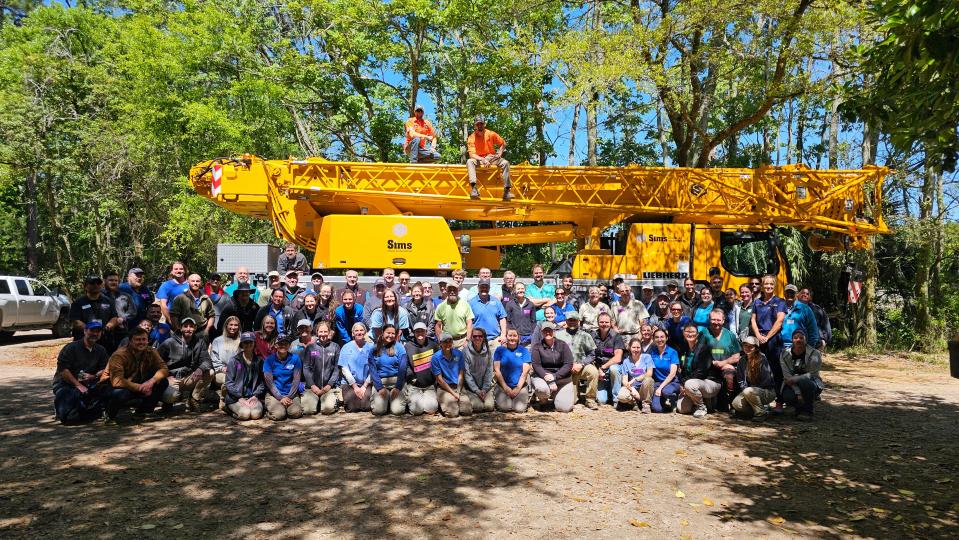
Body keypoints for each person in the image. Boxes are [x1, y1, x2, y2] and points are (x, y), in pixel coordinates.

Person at [99, 327, 170, 422]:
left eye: (144, 339)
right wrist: (141, 387)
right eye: (137, 339)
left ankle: (143, 412)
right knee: (121, 393)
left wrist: (151, 382)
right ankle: (109, 414)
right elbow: (117, 381)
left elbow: (164, 369)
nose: (141, 342)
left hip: (135, 383)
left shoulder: (151, 351)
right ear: (130, 341)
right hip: (111, 386)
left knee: (162, 381)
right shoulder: (119, 355)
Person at [52, 320, 110, 424]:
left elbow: (105, 370)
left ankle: (88, 410)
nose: (95, 334)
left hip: (90, 384)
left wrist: (93, 376)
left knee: (107, 390)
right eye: (92, 330)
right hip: (66, 384)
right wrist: (78, 385)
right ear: (85, 331)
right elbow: (63, 371)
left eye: (98, 331)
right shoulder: (70, 348)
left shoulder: (101, 350)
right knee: (69, 418)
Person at [158, 317, 214, 411]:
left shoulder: (200, 343)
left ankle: (194, 398)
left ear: (195, 328)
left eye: (191, 326)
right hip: (172, 378)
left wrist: (200, 369)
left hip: (189, 376)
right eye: (185, 326)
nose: (188, 329)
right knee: (170, 397)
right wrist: (165, 377)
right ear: (181, 328)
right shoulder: (169, 343)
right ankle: (167, 403)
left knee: (210, 372)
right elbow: (156, 362)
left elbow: (207, 360)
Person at [751, 274, 787, 411]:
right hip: (760, 340)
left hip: (774, 341)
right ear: (762, 285)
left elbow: (779, 322)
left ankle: (779, 401)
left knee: (777, 371)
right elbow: (753, 320)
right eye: (766, 284)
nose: (769, 286)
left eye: (771, 284)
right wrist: (759, 336)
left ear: (775, 286)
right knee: (760, 371)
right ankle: (763, 401)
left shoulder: (780, 302)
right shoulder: (757, 302)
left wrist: (767, 336)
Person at [695, 309, 742, 412]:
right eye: (713, 319)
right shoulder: (704, 333)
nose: (716, 322)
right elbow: (699, 353)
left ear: (723, 320)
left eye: (718, 320)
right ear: (709, 320)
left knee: (730, 375)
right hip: (709, 368)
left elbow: (737, 356)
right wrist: (710, 363)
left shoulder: (730, 335)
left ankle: (733, 403)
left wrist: (724, 363)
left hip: (726, 367)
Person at [556, 312, 599, 410]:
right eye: (570, 320)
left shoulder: (586, 335)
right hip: (566, 367)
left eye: (574, 320)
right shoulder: (558, 335)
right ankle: (574, 395)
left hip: (582, 365)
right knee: (572, 401)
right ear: (566, 321)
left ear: (578, 321)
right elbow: (556, 354)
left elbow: (592, 354)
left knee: (593, 372)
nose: (572, 323)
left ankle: (590, 399)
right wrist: (567, 365)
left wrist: (581, 364)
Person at [530, 322, 576, 412]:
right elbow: (536, 365)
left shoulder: (563, 345)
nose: (547, 333)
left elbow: (568, 364)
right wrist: (549, 379)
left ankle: (556, 396)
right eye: (545, 331)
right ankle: (543, 401)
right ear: (542, 332)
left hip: (562, 379)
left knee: (564, 408)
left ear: (554, 332)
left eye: (550, 330)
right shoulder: (537, 347)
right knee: (542, 389)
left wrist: (555, 376)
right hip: (543, 377)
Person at [69, 275, 121, 352]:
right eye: (92, 283)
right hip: (84, 341)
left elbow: (114, 318)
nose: (95, 285)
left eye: (98, 283)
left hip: (105, 341)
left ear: (101, 285)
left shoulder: (108, 301)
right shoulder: (78, 302)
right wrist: (91, 331)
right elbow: (75, 321)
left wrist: (107, 328)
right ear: (85, 286)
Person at [780, 329, 823, 421]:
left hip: (811, 383)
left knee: (805, 383)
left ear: (805, 339)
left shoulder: (815, 353)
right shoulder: (784, 354)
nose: (798, 340)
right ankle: (798, 409)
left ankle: (808, 412)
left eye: (801, 338)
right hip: (791, 384)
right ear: (792, 340)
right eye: (795, 338)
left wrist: (796, 378)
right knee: (788, 397)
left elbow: (813, 374)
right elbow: (787, 377)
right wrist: (798, 393)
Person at [466, 115, 513, 200]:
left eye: (481, 124)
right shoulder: (471, 137)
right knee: (469, 161)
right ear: (475, 125)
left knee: (505, 163)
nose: (480, 126)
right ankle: (474, 189)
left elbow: (503, 143)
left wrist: (500, 153)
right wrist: (483, 159)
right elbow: (472, 155)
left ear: (484, 124)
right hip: (479, 159)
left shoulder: (491, 134)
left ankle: (507, 191)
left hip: (491, 157)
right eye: (478, 124)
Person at [731, 336, 776, 421]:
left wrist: (751, 389)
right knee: (736, 404)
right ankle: (762, 410)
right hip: (748, 391)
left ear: (755, 348)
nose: (747, 348)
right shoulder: (742, 360)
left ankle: (761, 413)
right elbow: (740, 380)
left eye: (751, 346)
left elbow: (767, 380)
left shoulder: (762, 358)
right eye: (745, 345)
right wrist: (746, 390)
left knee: (749, 391)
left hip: (766, 391)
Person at [223, 332, 266, 420]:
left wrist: (256, 395)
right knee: (245, 414)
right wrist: (239, 397)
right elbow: (229, 382)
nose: (248, 344)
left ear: (254, 343)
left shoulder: (259, 361)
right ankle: (227, 408)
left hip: (253, 396)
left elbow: (262, 382)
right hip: (236, 397)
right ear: (241, 344)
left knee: (256, 414)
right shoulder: (234, 360)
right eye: (245, 342)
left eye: (251, 342)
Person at [301, 321, 340, 415]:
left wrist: (329, 385)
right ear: (317, 332)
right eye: (321, 332)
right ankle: (316, 402)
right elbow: (306, 368)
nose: (323, 334)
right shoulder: (310, 347)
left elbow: (336, 368)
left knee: (328, 409)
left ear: (329, 332)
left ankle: (326, 401)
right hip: (312, 388)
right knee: (308, 411)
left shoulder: (335, 347)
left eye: (325, 331)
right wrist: (312, 386)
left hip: (328, 388)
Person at [369, 325, 409, 416]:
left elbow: (402, 368)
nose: (390, 335)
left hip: (397, 381)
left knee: (397, 411)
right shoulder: (374, 349)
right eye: (388, 333)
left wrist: (398, 387)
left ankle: (392, 400)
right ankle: (386, 398)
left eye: (393, 333)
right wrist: (379, 388)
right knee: (378, 411)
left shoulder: (399, 347)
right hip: (381, 381)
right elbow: (372, 370)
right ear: (382, 333)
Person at [263, 335, 304, 420]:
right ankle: (269, 411)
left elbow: (296, 380)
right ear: (276, 345)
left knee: (295, 413)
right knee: (279, 415)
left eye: (286, 343)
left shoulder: (295, 358)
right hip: (274, 394)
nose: (283, 346)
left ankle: (285, 407)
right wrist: (280, 397)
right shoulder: (269, 360)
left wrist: (289, 396)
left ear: (289, 345)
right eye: (280, 343)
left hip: (291, 394)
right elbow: (269, 382)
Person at [403, 322, 439, 415]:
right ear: (414, 333)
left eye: (422, 331)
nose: (420, 333)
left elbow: (438, 363)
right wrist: (411, 377)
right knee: (416, 411)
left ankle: (425, 399)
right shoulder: (408, 346)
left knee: (432, 408)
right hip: (415, 385)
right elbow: (406, 365)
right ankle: (414, 398)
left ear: (426, 332)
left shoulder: (433, 345)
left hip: (429, 384)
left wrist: (435, 378)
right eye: (417, 331)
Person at [493, 328, 532, 412]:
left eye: (515, 336)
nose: (512, 338)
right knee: (505, 408)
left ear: (518, 337)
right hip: (503, 386)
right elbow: (497, 370)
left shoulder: (524, 350)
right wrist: (506, 388)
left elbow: (525, 373)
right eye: (510, 335)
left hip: (520, 386)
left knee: (519, 409)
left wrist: (517, 389)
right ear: (506, 337)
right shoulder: (499, 350)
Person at [339, 322, 374, 412]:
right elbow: (344, 369)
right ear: (352, 333)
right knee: (352, 407)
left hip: (366, 383)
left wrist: (364, 387)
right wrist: (355, 387)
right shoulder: (346, 347)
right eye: (356, 330)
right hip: (350, 384)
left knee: (366, 406)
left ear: (365, 332)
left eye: (361, 330)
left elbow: (374, 368)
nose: (359, 332)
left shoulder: (371, 347)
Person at [591, 312, 624, 406]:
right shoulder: (593, 336)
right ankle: (609, 391)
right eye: (601, 322)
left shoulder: (616, 336)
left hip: (611, 367)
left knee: (614, 369)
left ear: (610, 323)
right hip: (599, 370)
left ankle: (616, 400)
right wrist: (597, 370)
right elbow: (590, 355)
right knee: (601, 401)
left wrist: (603, 367)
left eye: (606, 322)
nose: (604, 324)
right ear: (598, 323)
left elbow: (618, 358)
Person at [432, 333, 468, 417]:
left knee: (467, 411)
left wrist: (458, 391)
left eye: (450, 341)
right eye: (445, 342)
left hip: (458, 386)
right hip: (444, 388)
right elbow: (439, 380)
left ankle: (453, 401)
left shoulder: (458, 354)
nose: (448, 344)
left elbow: (461, 374)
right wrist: (454, 393)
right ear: (440, 343)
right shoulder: (436, 358)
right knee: (453, 413)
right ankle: (443, 402)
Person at [169, 274, 216, 339]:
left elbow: (212, 316)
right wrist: (179, 331)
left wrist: (207, 330)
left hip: (202, 333)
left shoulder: (206, 299)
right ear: (188, 282)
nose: (195, 283)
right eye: (193, 281)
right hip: (185, 333)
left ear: (201, 283)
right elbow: (174, 317)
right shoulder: (180, 298)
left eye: (197, 281)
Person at [616, 337, 655, 412]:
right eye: (633, 347)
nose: (636, 350)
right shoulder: (626, 361)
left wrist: (635, 379)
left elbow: (649, 373)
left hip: (644, 387)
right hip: (632, 387)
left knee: (648, 380)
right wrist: (630, 388)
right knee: (621, 396)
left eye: (638, 347)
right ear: (630, 348)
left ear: (641, 348)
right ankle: (634, 402)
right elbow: (624, 379)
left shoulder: (647, 357)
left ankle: (646, 404)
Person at [462, 327, 495, 413]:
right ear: (471, 338)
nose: (477, 338)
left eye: (480, 336)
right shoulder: (465, 352)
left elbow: (489, 372)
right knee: (478, 407)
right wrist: (476, 390)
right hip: (470, 388)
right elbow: (467, 374)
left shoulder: (488, 351)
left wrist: (484, 389)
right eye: (475, 336)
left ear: (483, 338)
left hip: (485, 388)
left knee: (489, 407)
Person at [209, 315, 241, 403]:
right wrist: (222, 368)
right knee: (228, 380)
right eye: (231, 325)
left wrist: (237, 369)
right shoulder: (217, 341)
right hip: (221, 372)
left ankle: (230, 400)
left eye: (236, 325)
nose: (233, 327)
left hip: (237, 372)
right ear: (226, 325)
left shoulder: (242, 341)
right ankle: (225, 400)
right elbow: (214, 359)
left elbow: (243, 359)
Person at [648, 328, 680, 413]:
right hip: (658, 383)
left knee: (666, 391)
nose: (659, 339)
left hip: (672, 382)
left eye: (662, 337)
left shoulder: (672, 352)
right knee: (657, 409)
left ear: (666, 338)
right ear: (654, 339)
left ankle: (673, 398)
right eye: (657, 337)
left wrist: (660, 388)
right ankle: (665, 402)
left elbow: (672, 374)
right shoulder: (652, 352)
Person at [781, 284, 821, 352]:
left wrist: (809, 349)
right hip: (780, 348)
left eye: (792, 292)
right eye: (788, 292)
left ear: (797, 294)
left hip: (799, 348)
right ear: (784, 293)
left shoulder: (805, 309)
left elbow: (813, 331)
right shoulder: (779, 307)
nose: (790, 294)